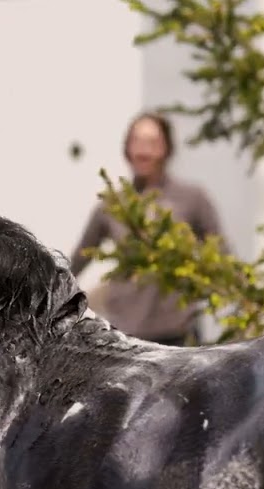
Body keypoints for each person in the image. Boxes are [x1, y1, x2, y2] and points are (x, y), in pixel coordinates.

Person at [69, 111, 230, 346]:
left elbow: (222, 255)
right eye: (137, 142)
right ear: (127, 149)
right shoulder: (112, 205)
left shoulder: (193, 198)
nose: (143, 151)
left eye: (152, 143)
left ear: (167, 148)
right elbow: (78, 261)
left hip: (178, 333)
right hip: (124, 335)